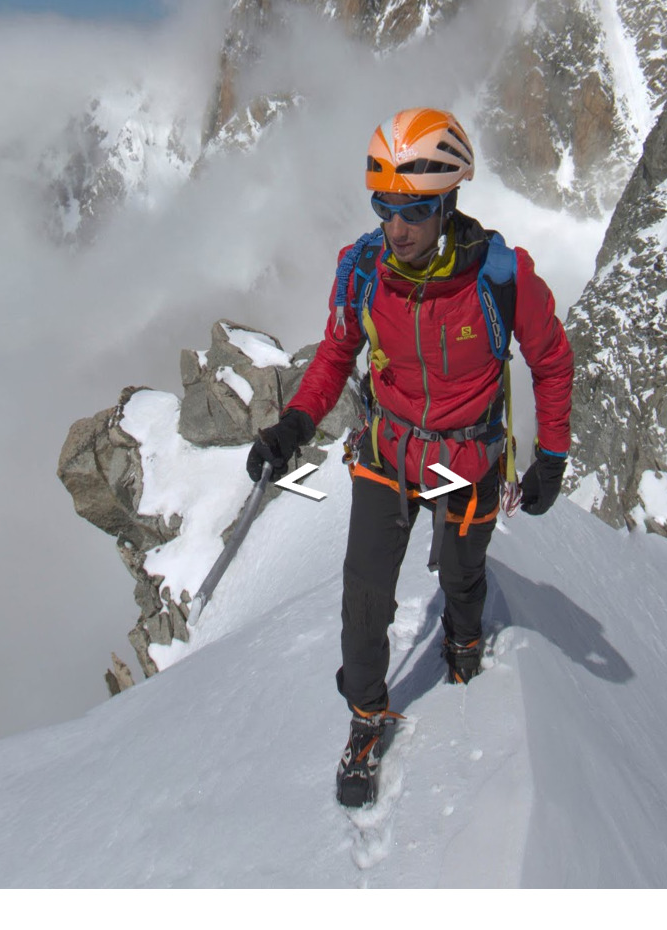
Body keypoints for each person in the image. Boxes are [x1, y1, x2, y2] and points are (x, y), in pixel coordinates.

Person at [245, 107, 576, 807]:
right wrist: (294, 425)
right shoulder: (363, 271)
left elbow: (551, 359)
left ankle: (463, 638)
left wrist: (551, 455)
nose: (397, 228)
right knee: (364, 596)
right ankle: (366, 716)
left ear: (447, 203)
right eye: (385, 208)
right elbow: (336, 353)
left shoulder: (500, 276)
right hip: (387, 452)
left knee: (461, 573)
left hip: (467, 462)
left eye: (415, 210)